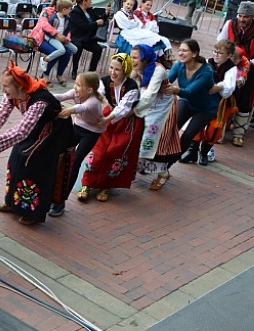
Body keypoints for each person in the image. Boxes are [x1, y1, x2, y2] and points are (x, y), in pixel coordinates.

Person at [0, 62, 76, 225]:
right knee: (16, 159)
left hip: (54, 131)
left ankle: (31, 212)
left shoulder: (39, 100)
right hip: (35, 126)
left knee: (34, 165)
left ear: (19, 86)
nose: (2, 90)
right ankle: (13, 203)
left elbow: (22, 131)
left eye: (6, 86)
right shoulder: (10, 96)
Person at [79, 53, 142, 202]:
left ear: (125, 70)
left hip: (126, 121)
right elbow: (97, 97)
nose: (113, 72)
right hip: (108, 116)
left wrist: (106, 119)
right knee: (98, 150)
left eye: (118, 69)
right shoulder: (105, 81)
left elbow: (123, 109)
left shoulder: (132, 87)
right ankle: (87, 184)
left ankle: (106, 185)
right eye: (111, 68)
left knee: (115, 152)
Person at [217, 1, 254, 145]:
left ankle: (238, 134)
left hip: (250, 68)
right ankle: (219, 130)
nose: (242, 19)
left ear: (253, 16)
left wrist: (251, 63)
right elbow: (220, 41)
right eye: (240, 16)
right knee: (224, 96)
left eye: (246, 17)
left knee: (244, 100)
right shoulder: (230, 24)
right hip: (228, 66)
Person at [52, 72, 107, 216]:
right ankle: (54, 194)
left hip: (92, 132)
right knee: (62, 156)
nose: (75, 87)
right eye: (75, 83)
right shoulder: (75, 93)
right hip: (78, 126)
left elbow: (81, 108)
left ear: (89, 90)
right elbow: (61, 96)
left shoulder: (93, 101)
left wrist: (69, 110)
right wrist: (43, 96)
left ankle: (60, 201)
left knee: (75, 161)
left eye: (79, 85)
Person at [132, 44, 181, 190]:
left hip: (162, 108)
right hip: (146, 106)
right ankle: (135, 168)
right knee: (137, 136)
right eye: (131, 56)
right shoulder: (136, 70)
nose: (131, 60)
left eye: (135, 57)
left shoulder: (158, 70)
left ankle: (163, 173)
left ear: (144, 59)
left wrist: (132, 109)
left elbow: (149, 94)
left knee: (154, 141)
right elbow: (130, 85)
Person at [164, 40, 217, 167]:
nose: (181, 53)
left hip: (206, 107)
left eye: (184, 50)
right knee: (170, 127)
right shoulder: (178, 66)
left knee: (187, 135)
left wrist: (176, 90)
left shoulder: (206, 71)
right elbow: (166, 81)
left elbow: (190, 91)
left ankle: (168, 164)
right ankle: (157, 157)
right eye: (180, 50)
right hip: (187, 101)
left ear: (194, 54)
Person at [189, 39, 241, 164]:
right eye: (215, 51)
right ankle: (192, 151)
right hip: (205, 99)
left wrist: (220, 86)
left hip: (221, 102)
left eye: (220, 53)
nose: (216, 55)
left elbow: (228, 88)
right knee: (197, 123)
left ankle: (204, 152)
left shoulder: (231, 69)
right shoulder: (207, 63)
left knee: (215, 127)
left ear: (229, 55)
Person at [30, 0, 77, 86]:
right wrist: (56, 34)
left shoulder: (66, 17)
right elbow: (44, 24)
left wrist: (66, 38)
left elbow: (67, 29)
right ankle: (45, 74)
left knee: (67, 52)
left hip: (57, 39)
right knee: (55, 51)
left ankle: (59, 74)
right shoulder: (47, 11)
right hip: (41, 38)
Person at [69, 0, 105, 77]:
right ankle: (74, 70)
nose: (91, 2)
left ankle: (91, 71)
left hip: (88, 38)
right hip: (77, 37)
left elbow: (99, 18)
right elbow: (83, 26)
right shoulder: (75, 12)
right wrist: (96, 23)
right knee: (78, 46)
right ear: (84, 1)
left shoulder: (89, 10)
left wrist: (106, 13)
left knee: (98, 49)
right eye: (89, 0)